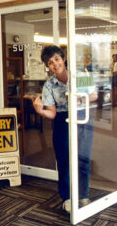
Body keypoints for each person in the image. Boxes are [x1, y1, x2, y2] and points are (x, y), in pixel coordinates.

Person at [33, 45, 97, 213]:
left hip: (83, 117)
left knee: (83, 159)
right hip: (62, 120)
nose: (55, 64)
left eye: (57, 59)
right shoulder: (49, 85)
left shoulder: (81, 75)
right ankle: (67, 198)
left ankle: (83, 195)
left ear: (63, 59)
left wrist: (81, 102)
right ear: (48, 67)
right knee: (64, 160)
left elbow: (94, 95)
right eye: (50, 62)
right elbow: (52, 113)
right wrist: (40, 110)